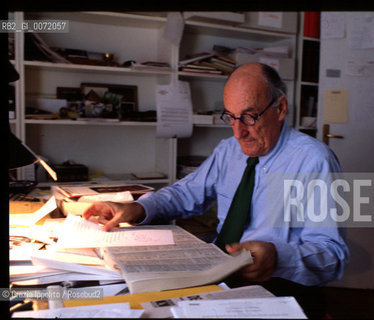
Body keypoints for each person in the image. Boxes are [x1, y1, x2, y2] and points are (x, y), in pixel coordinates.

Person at [84, 62, 349, 288]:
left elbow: (332, 256)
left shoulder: (314, 160)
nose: (237, 133)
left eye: (249, 117)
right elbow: (185, 193)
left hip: (276, 281)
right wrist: (138, 208)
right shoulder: (229, 150)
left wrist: (278, 256)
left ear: (280, 108)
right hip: (217, 269)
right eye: (231, 117)